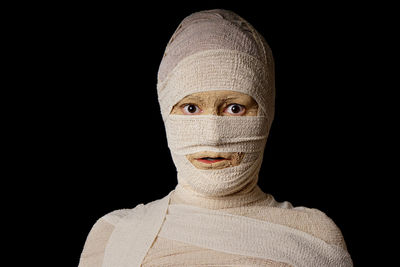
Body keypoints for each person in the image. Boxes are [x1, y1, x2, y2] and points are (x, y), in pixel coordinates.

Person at [78, 9, 353, 266]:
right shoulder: (114, 237)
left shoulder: (316, 238)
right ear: (165, 113)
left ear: (267, 113)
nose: (213, 136)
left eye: (235, 108)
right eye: (191, 108)